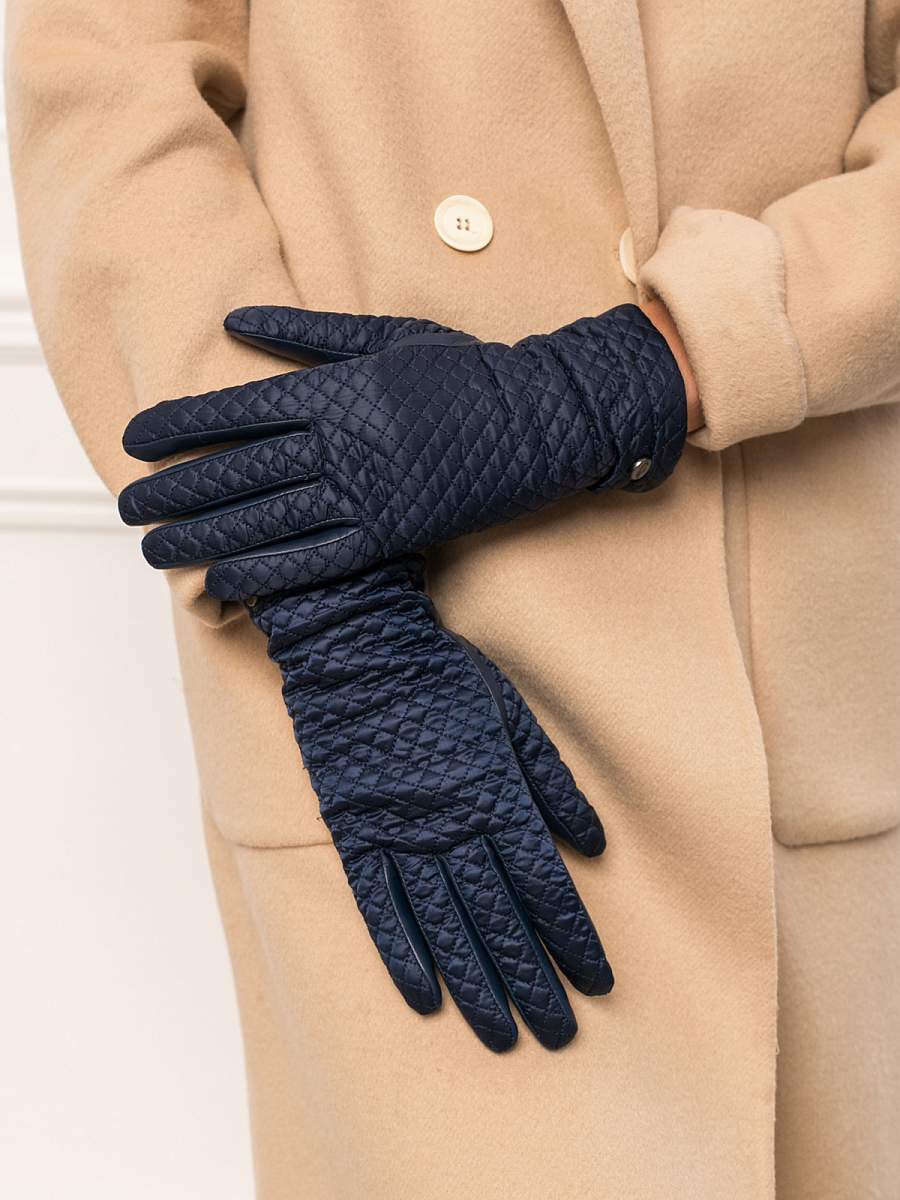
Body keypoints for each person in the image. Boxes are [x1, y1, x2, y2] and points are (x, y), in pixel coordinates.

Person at [6, 2, 899, 1196]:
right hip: (392, 610)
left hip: (794, 645)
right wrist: (326, 598)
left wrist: (657, 362)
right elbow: (105, 96)